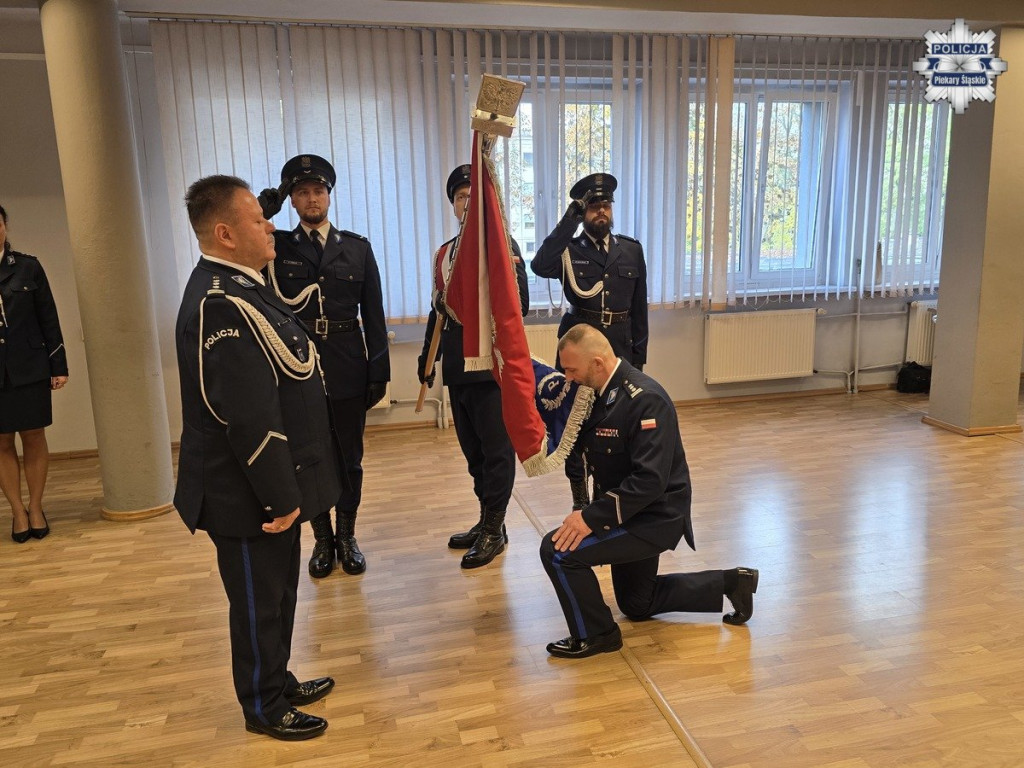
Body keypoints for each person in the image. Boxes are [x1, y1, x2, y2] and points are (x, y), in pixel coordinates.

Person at [175, 175, 340, 739]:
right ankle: (263, 706)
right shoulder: (220, 303)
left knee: (280, 593)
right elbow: (247, 417)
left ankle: (277, 678)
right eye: (257, 219)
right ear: (225, 234)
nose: (271, 225)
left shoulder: (241, 285)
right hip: (248, 494)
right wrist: (281, 497)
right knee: (257, 603)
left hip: (269, 485)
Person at [539, 324, 757, 659]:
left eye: (572, 370)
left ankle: (597, 634)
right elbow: (582, 454)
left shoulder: (645, 401)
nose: (567, 378)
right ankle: (732, 583)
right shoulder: (596, 393)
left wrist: (590, 518)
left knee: (557, 552)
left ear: (597, 363)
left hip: (654, 517)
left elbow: (649, 481)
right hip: (629, 511)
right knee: (637, 604)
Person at [258, 155, 390, 578]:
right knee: (308, 457)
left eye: (318, 191)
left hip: (348, 365)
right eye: (302, 193)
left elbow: (374, 315)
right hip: (298, 369)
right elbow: (241, 262)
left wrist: (379, 370)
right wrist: (262, 211)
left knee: (349, 458)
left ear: (329, 196)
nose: (311, 198)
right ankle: (322, 539)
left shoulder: (357, 248)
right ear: (292, 201)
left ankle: (347, 536)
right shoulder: (276, 247)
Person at [417, 164, 529, 569]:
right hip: (457, 367)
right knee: (474, 454)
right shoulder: (444, 254)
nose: (466, 202)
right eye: (460, 197)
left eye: (473, 196)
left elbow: (520, 305)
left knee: (497, 452)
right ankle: (486, 520)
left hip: (490, 369)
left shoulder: (501, 245)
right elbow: (439, 312)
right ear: (453, 205)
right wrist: (427, 359)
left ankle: (495, 529)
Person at [531, 173, 650, 515]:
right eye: (594, 205)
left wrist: (638, 360)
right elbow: (540, 265)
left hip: (619, 349)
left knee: (619, 423)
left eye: (606, 204)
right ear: (584, 212)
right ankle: (580, 497)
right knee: (576, 423)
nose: (601, 211)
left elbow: (639, 309)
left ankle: (609, 493)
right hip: (578, 350)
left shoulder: (631, 249)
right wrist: (569, 219)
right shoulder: (569, 250)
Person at [0, 203, 68, 543]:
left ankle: (37, 507)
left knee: (34, 436)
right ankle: (17, 511)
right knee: (1, 442)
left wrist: (59, 365)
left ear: (5, 227)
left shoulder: (28, 267)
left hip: (29, 366)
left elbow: (48, 317)